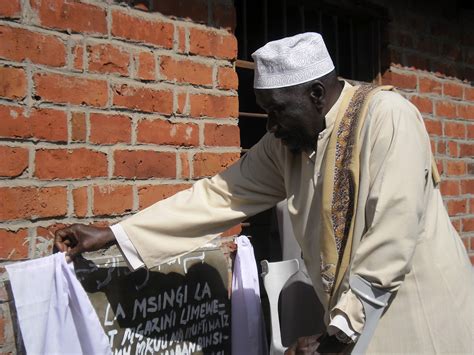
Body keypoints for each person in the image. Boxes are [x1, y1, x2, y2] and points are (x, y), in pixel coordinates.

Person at [56, 33, 473, 354]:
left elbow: (391, 234)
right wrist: (115, 233)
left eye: (276, 110)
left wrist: (339, 331)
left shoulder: (388, 117)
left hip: (418, 312)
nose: (269, 124)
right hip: (351, 326)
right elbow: (218, 196)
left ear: (314, 94)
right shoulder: (285, 145)